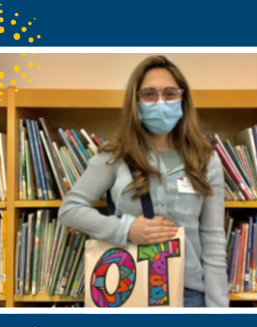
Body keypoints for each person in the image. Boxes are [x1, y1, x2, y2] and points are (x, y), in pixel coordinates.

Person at [58, 55, 229, 307]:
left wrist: (218, 310)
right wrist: (126, 229)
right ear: (135, 101)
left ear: (183, 99)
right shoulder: (114, 155)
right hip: (129, 288)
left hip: (189, 293)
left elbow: (214, 239)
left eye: (170, 94)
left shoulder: (206, 159)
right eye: (149, 94)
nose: (160, 101)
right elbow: (69, 210)